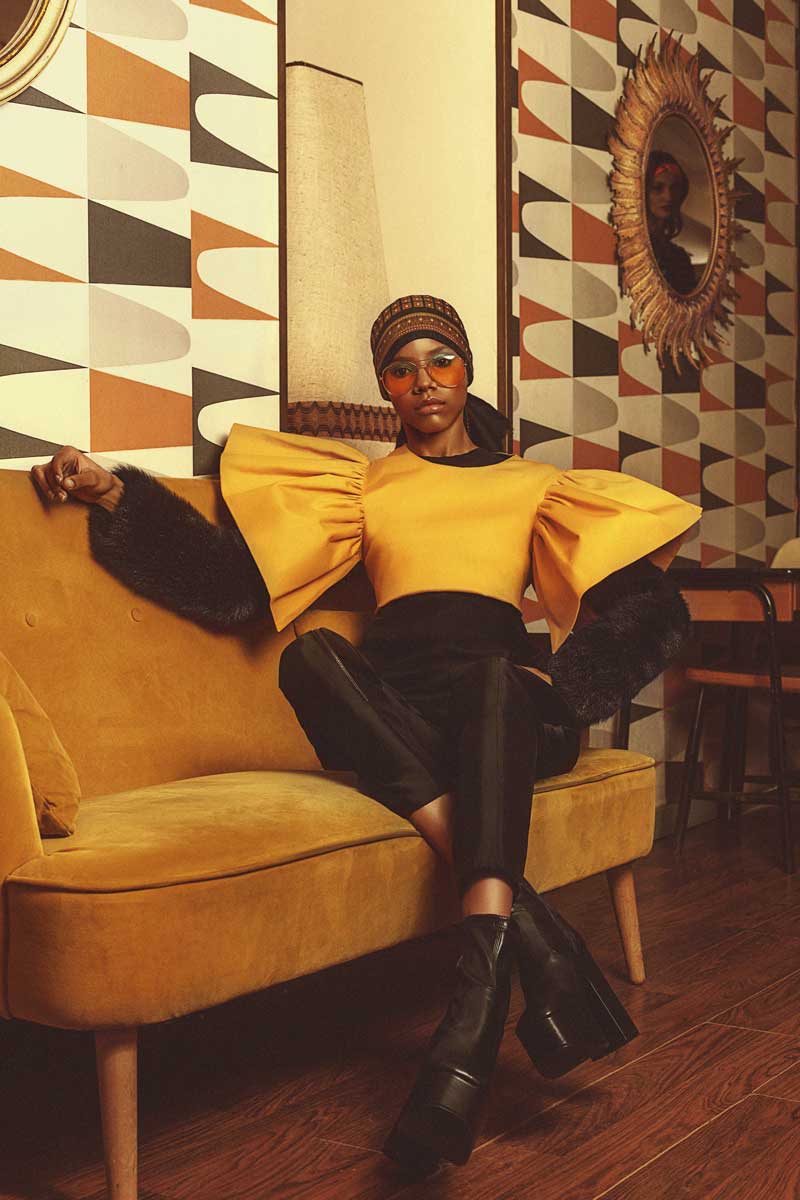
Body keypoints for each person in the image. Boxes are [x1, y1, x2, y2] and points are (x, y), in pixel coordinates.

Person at [31, 294, 701, 1176]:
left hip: (506, 705)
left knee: (493, 678)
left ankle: (470, 1015)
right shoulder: (361, 487)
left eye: (440, 361)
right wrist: (116, 492)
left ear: (467, 371)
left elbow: (650, 607)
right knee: (310, 657)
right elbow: (235, 588)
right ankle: (526, 941)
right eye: (401, 368)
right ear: (385, 388)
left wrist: (562, 686)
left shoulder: (535, 484)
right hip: (402, 710)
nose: (424, 381)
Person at [646, 150, 696, 296]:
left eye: (674, 188)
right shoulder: (630, 247)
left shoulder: (680, 258)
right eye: (657, 188)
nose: (668, 197)